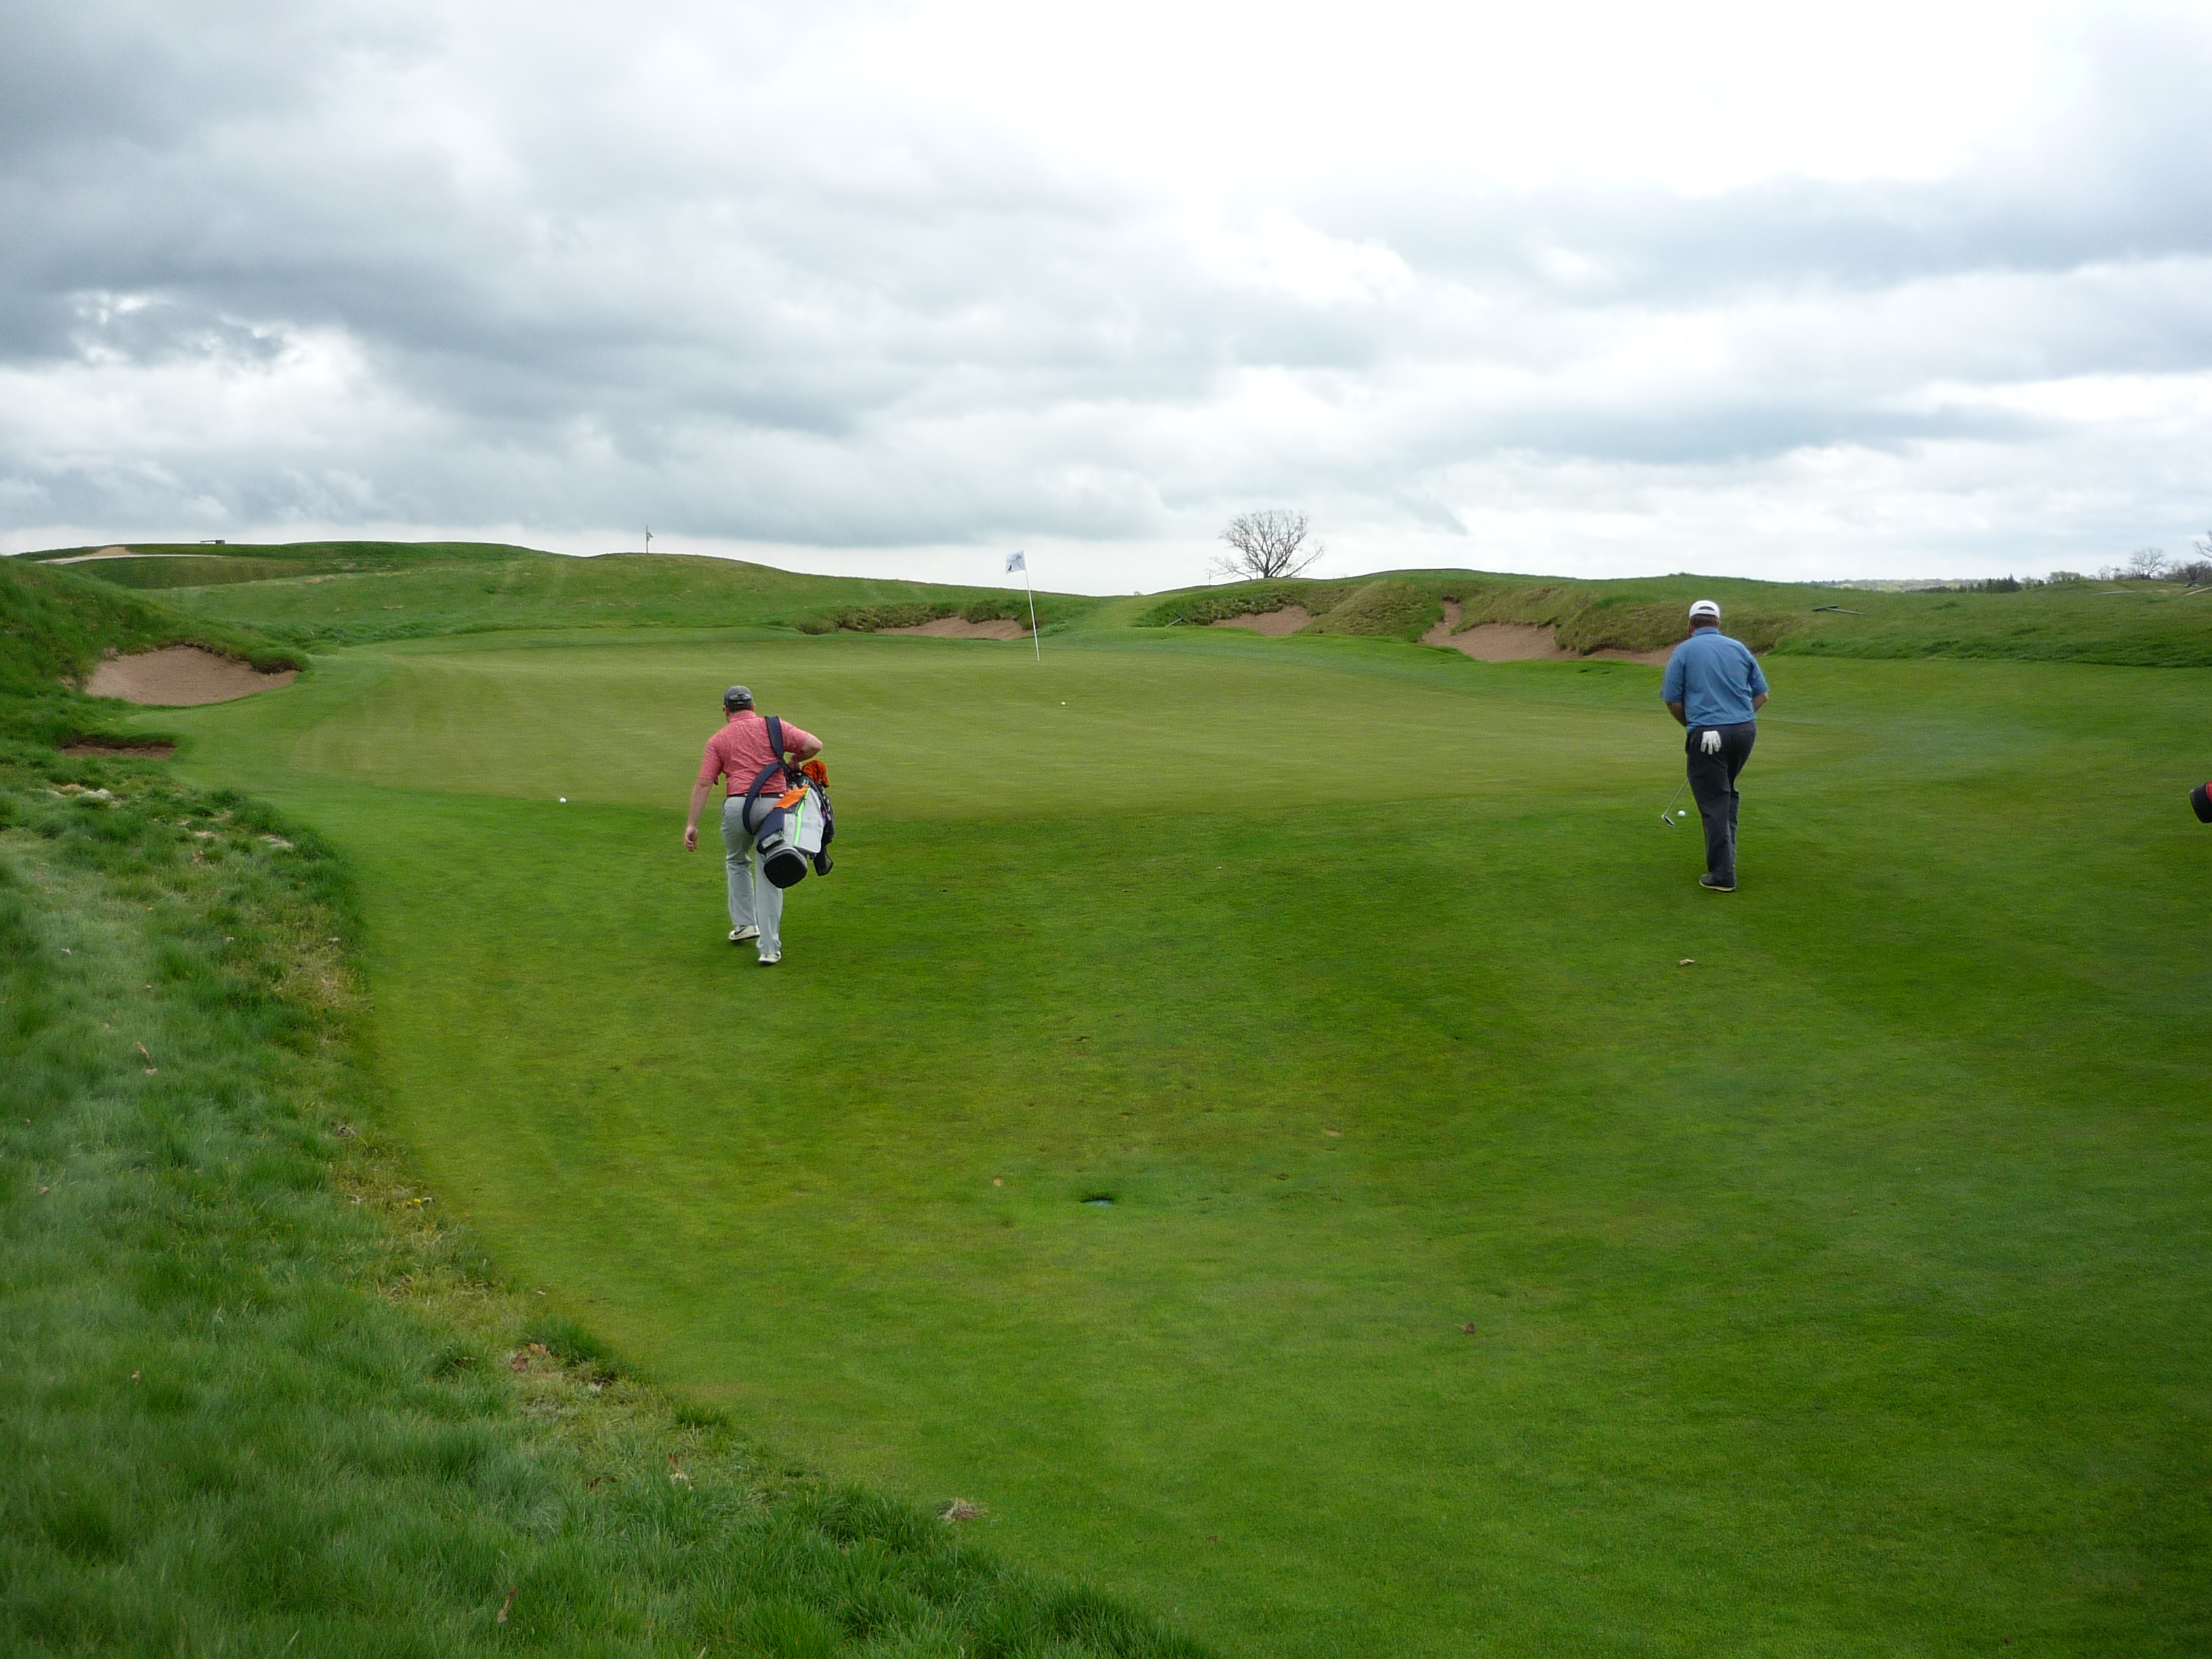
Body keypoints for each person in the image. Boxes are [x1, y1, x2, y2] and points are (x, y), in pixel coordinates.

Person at [683, 685, 822, 964]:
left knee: (736, 861)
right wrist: (794, 760)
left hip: (737, 807)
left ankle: (745, 924)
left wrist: (692, 825)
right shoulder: (774, 727)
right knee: (770, 872)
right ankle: (769, 949)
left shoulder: (718, 740)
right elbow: (814, 745)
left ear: (726, 711)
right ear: (753, 707)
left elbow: (704, 783)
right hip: (774, 808)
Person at [1660, 599, 1768, 893]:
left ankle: (1722, 875)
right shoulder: (1739, 648)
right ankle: (1726, 861)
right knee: (1725, 793)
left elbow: (1672, 699)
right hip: (1745, 731)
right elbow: (1762, 696)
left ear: (1690, 624)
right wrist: (1738, 720)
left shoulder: (1684, 651)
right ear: (1718, 623)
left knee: (1714, 801)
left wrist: (1694, 728)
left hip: (1708, 734)